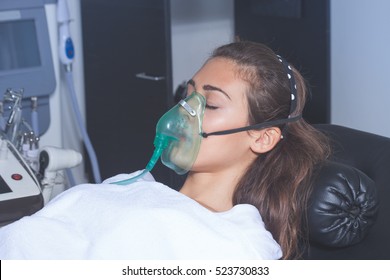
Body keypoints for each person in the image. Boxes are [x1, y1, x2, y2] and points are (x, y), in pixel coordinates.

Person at [0, 41, 329, 260]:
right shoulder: (129, 184)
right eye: (188, 95)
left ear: (261, 137)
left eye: (210, 104)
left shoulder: (238, 247)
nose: (186, 111)